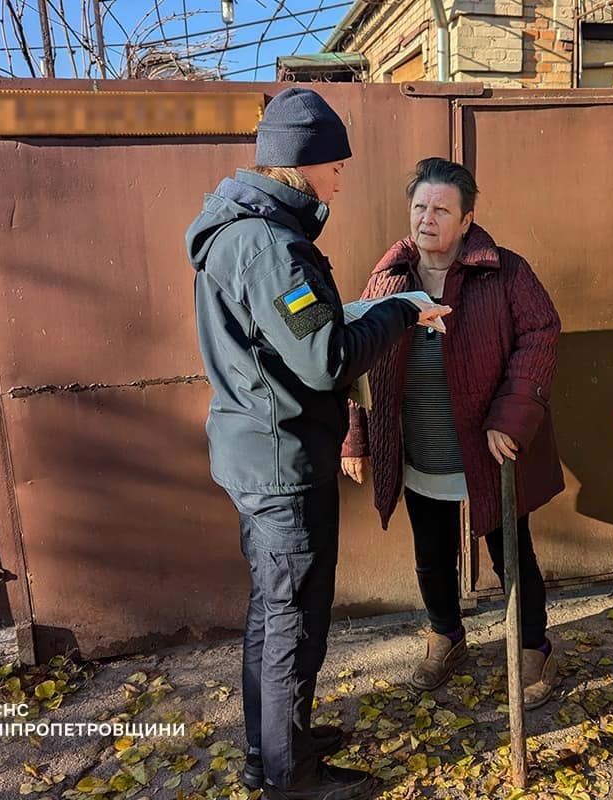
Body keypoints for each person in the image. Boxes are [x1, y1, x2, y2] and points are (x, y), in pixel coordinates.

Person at [186, 88, 449, 800]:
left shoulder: (247, 230)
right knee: (291, 624)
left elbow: (296, 339)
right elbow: (326, 360)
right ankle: (290, 778)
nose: (341, 179)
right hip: (282, 462)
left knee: (274, 615)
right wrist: (398, 311)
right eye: (336, 165)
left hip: (262, 451)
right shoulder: (270, 243)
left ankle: (273, 746)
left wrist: (359, 313)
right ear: (303, 164)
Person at [340, 158, 564, 708]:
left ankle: (533, 648)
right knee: (431, 552)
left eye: (442, 209)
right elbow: (360, 358)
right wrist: (357, 436)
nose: (427, 219)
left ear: (467, 220)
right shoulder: (389, 277)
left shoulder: (505, 272)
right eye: (420, 207)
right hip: (419, 443)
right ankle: (447, 637)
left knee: (512, 552)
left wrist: (510, 418)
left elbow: (540, 336)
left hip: (490, 446)